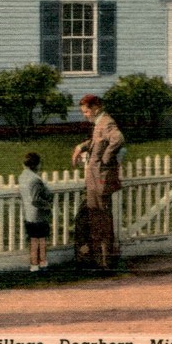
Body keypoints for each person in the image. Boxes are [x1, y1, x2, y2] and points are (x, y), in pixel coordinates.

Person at [72, 94, 125, 270]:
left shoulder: (107, 122)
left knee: (103, 219)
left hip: (101, 179)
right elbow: (98, 141)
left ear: (96, 107)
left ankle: (107, 262)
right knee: (95, 217)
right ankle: (98, 260)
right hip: (94, 178)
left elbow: (118, 139)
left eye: (86, 111)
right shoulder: (100, 123)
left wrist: (106, 159)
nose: (85, 114)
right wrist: (81, 147)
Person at [18, 152, 54, 272]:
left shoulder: (22, 177)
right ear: (37, 165)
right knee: (42, 240)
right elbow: (36, 199)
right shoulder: (35, 179)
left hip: (28, 214)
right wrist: (48, 206)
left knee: (33, 240)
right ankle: (42, 263)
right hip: (38, 215)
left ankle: (34, 265)